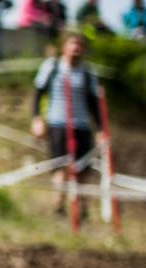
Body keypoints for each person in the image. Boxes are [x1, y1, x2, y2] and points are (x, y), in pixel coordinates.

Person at [32, 32, 103, 214]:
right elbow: (38, 93)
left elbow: (94, 103)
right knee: (61, 166)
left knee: (83, 170)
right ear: (64, 46)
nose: (75, 48)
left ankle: (83, 209)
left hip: (82, 125)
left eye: (79, 45)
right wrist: (37, 119)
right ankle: (59, 206)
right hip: (58, 124)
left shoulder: (88, 73)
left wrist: (101, 129)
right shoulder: (52, 66)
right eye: (72, 44)